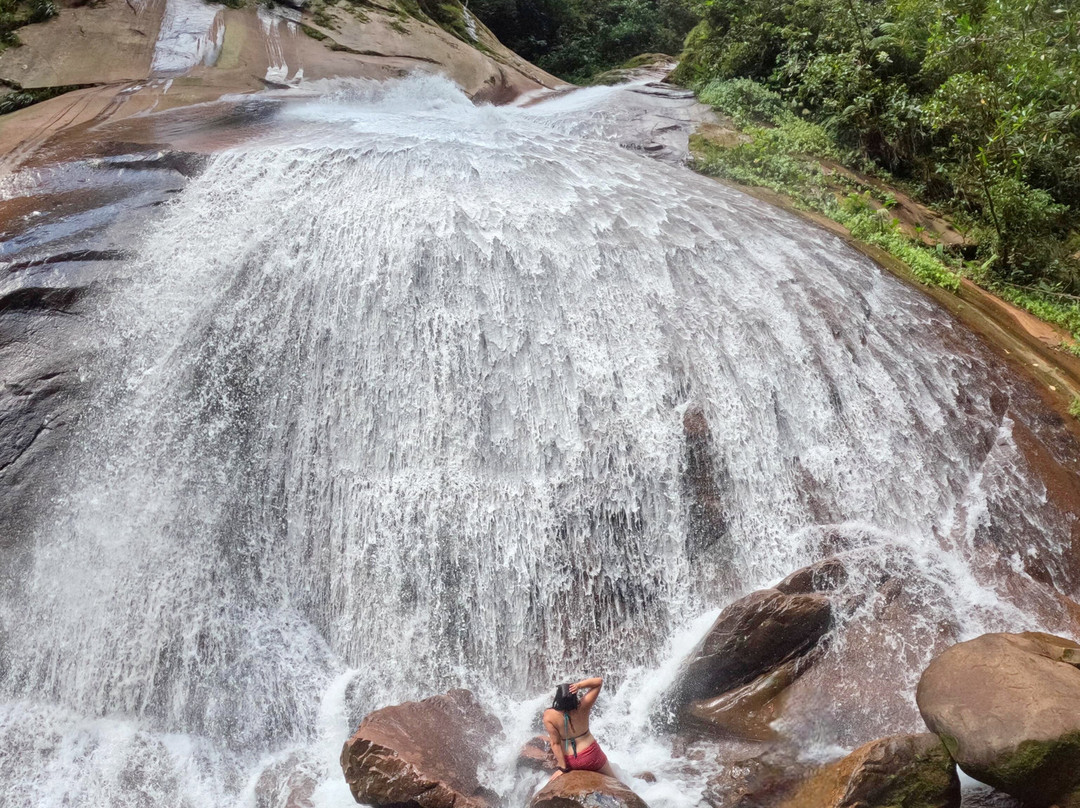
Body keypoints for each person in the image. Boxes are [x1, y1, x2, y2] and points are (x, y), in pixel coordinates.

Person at [543, 676, 618, 780]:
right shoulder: (583, 705)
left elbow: (555, 744)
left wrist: (562, 768)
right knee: (614, 781)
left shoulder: (548, 715)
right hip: (591, 755)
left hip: (570, 761)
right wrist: (579, 685)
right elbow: (598, 681)